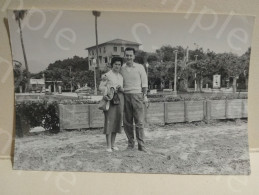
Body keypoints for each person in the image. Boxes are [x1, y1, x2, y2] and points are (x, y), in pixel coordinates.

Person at [120, 47, 148, 152]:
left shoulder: (140, 67)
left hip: (138, 96)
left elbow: (144, 83)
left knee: (139, 122)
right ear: (124, 56)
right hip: (125, 95)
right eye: (127, 55)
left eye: (130, 55)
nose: (129, 57)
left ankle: (141, 145)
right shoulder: (121, 68)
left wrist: (145, 96)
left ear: (134, 56)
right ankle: (130, 144)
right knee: (127, 122)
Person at [99, 57, 124, 152]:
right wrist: (108, 90)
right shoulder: (107, 75)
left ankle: (113, 144)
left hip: (119, 100)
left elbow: (123, 89)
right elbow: (101, 87)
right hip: (110, 100)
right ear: (112, 64)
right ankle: (108, 146)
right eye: (115, 64)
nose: (117, 66)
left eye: (119, 64)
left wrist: (121, 89)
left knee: (117, 122)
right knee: (109, 122)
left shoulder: (121, 76)